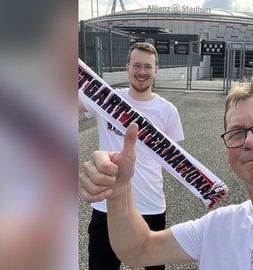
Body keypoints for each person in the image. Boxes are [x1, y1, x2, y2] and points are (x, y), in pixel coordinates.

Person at [79, 77, 253, 269]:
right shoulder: (220, 226)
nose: (250, 141)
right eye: (237, 133)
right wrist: (119, 190)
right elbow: (138, 249)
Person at [79, 42, 185, 270]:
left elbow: (177, 162)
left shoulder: (167, 111)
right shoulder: (106, 99)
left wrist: (206, 188)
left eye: (148, 67)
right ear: (127, 67)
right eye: (136, 65)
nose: (142, 72)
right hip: (106, 205)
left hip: (151, 205)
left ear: (156, 70)